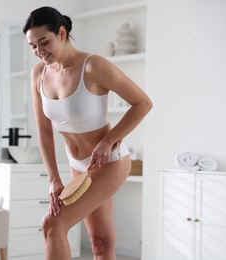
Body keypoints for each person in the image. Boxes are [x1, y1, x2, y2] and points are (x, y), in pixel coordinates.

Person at [23, 6, 152, 260]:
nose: (39, 52)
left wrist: (109, 140)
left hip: (109, 162)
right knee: (101, 243)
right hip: (78, 166)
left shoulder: (93, 66)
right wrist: (53, 178)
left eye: (44, 42)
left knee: (53, 224)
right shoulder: (38, 74)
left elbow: (143, 103)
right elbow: (44, 130)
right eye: (33, 47)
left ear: (61, 33)